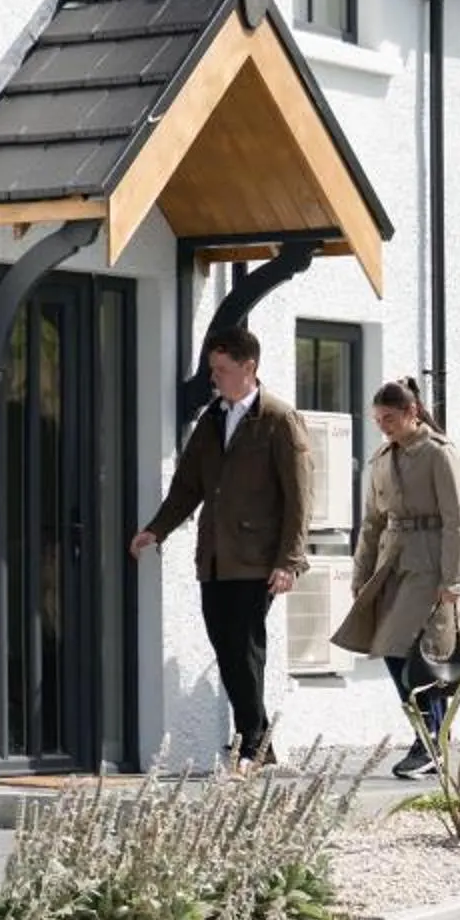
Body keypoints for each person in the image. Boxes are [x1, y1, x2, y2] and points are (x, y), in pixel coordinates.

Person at [129, 327, 311, 771]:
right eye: (213, 369)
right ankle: (260, 742)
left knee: (245, 645)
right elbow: (188, 484)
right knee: (225, 644)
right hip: (214, 556)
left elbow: (299, 497)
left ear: (249, 368)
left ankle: (251, 743)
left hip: (258, 559)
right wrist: (157, 529)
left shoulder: (278, 419)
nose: (215, 378)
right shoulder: (213, 418)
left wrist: (289, 561)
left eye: (222, 370)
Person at [332, 375, 460, 779]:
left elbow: (457, 521)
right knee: (396, 650)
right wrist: (361, 573)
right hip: (391, 562)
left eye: (390, 417)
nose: (384, 426)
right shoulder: (381, 458)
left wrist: (453, 578)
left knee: (414, 650)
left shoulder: (438, 454)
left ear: (412, 412)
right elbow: (372, 521)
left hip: (428, 564)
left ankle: (428, 737)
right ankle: (432, 737)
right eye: (378, 419)